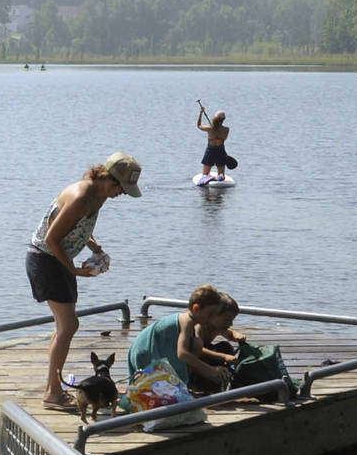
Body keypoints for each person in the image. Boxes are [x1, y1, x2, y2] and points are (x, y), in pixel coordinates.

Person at [27, 152, 141, 411]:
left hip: (57, 261)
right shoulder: (82, 196)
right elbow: (51, 239)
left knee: (64, 327)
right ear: (111, 180)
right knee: (69, 325)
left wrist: (94, 246)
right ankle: (52, 394)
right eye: (123, 188)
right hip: (46, 260)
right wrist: (75, 271)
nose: (122, 194)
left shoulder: (98, 195)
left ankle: (52, 389)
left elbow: (73, 227)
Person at [128, 284, 247, 395]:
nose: (211, 319)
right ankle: (182, 385)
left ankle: (184, 384)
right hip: (144, 352)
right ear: (196, 308)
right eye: (210, 314)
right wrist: (207, 369)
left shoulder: (192, 323)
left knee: (197, 344)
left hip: (154, 350)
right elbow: (182, 353)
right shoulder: (187, 322)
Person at [197, 102, 235, 181]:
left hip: (210, 151)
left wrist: (201, 113)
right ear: (224, 119)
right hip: (221, 151)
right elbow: (224, 137)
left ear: (215, 118)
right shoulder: (226, 129)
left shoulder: (210, 128)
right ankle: (220, 177)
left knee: (205, 174)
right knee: (221, 173)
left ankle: (208, 177)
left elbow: (199, 125)